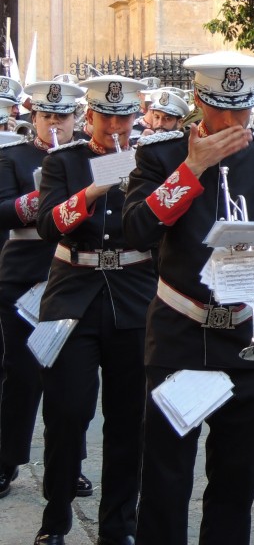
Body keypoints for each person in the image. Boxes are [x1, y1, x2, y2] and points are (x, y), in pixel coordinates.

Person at [122, 51, 254, 545]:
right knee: (165, 479)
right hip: (180, 331)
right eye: (222, 109)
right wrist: (192, 168)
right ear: (200, 101)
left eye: (242, 109)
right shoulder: (160, 154)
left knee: (235, 483)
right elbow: (136, 230)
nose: (233, 122)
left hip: (247, 334)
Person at [34, 76, 157, 545]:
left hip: (133, 294)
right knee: (66, 411)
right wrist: (92, 191)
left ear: (135, 117)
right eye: (106, 116)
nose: (115, 126)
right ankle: (56, 515)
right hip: (73, 292)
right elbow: (48, 225)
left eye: (124, 117)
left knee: (129, 419)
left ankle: (118, 526)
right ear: (89, 117)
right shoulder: (64, 161)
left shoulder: (149, 162)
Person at [0, 79, 92, 502]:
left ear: (76, 118)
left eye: (63, 116)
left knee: (74, 381)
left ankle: (69, 464)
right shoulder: (12, 156)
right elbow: (2, 210)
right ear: (34, 117)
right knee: (21, 374)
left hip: (73, 277)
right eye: (47, 115)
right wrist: (42, 199)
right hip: (24, 276)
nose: (55, 123)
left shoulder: (89, 158)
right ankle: (7, 458)